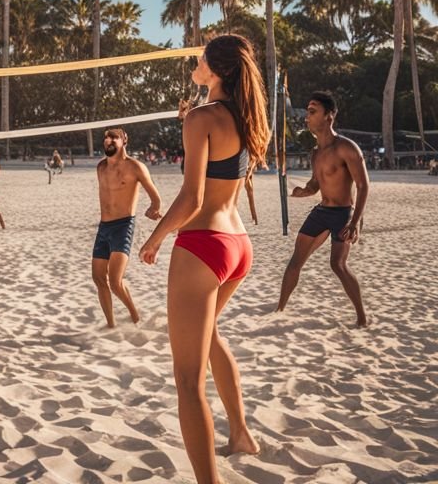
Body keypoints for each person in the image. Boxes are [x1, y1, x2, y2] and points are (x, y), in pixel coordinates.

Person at [138, 34, 266, 483]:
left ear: (217, 69)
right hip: (237, 245)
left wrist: (155, 236)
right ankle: (242, 435)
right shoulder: (241, 116)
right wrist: (191, 120)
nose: (196, 59)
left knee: (188, 381)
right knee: (209, 336)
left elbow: (191, 198)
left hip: (204, 245)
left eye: (202, 56)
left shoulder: (202, 117)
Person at [275, 91, 370, 327]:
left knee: (337, 265)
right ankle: (279, 309)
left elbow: (363, 185)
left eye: (312, 111)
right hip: (322, 212)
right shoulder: (316, 153)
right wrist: (301, 191)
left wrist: (355, 221)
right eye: (308, 111)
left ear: (329, 116)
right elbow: (315, 184)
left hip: (342, 215)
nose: (307, 117)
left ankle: (362, 318)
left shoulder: (347, 148)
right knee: (295, 261)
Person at [93, 128, 162, 328]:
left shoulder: (135, 167)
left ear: (124, 140)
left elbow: (156, 199)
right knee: (98, 278)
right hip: (103, 227)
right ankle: (111, 325)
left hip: (123, 227)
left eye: (113, 137)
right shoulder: (100, 167)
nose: (108, 141)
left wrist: (154, 209)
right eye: (106, 138)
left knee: (115, 282)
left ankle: (135, 316)